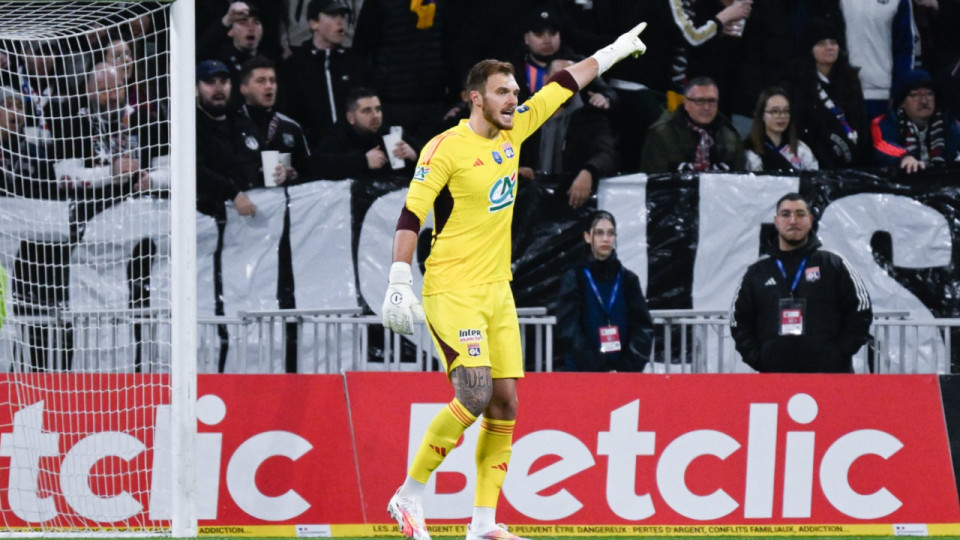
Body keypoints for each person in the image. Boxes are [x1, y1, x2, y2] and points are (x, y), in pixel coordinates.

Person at [380, 22, 648, 540]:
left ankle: (482, 522)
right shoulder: (444, 150)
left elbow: (565, 84)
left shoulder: (515, 131)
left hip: (497, 292)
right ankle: (409, 494)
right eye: (503, 93)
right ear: (475, 99)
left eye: (515, 92)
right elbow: (411, 215)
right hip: (450, 290)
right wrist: (397, 280)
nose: (514, 100)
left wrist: (612, 52)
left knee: (506, 402)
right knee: (476, 392)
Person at [730, 192, 873, 373]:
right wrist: (759, 358)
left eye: (800, 214)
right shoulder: (757, 272)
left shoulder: (833, 265)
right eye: (786, 214)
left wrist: (839, 353)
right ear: (776, 221)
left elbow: (861, 310)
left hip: (830, 377)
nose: (793, 220)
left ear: (810, 219)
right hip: (775, 378)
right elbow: (739, 320)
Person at [556, 210, 654, 372]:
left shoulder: (628, 279)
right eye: (599, 233)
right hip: (583, 373)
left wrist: (626, 367)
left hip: (622, 374)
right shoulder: (574, 277)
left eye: (610, 233)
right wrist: (598, 367)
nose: (606, 239)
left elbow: (642, 327)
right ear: (588, 237)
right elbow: (569, 329)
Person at [518, 57, 618, 208]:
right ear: (545, 80)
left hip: (571, 203)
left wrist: (588, 172)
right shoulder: (525, 114)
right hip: (527, 201)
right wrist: (514, 169)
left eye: (572, 78)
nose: (566, 84)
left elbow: (606, 154)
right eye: (560, 77)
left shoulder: (591, 117)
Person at [787, 19, 873, 169]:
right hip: (817, 164)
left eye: (833, 42)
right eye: (822, 43)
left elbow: (861, 124)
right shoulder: (799, 83)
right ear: (810, 49)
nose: (829, 47)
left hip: (853, 161)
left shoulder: (851, 80)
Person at [281, 0, 366, 147]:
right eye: (333, 16)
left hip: (354, 151)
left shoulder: (355, 64)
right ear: (314, 23)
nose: (340, 22)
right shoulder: (294, 66)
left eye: (343, 16)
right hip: (313, 153)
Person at [640, 76, 745, 173]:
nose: (706, 107)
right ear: (686, 103)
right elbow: (653, 183)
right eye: (699, 101)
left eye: (712, 101)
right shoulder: (661, 134)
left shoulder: (731, 136)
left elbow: (740, 183)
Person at [195, 59, 258, 220]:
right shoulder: (190, 126)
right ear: (196, 89)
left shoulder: (241, 120)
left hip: (251, 210)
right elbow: (196, 170)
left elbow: (257, 155)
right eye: (210, 82)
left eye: (223, 82)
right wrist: (233, 192)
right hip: (210, 216)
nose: (218, 88)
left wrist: (279, 171)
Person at [313, 87, 420, 181]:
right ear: (351, 118)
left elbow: (429, 164)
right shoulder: (338, 135)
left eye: (378, 109)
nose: (376, 116)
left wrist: (415, 155)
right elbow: (316, 165)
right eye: (367, 111)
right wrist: (363, 161)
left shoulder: (390, 133)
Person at [236, 56, 310, 190]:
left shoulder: (291, 127)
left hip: (284, 204)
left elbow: (308, 172)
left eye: (272, 81)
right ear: (244, 88)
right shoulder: (232, 124)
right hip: (243, 205)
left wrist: (294, 175)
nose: (269, 86)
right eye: (261, 81)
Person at [872, 69, 960, 173]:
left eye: (929, 94)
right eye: (915, 95)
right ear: (902, 103)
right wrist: (905, 157)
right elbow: (882, 145)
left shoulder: (951, 123)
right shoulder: (884, 123)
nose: (924, 101)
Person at [744, 87, 819, 172]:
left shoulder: (801, 150)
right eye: (775, 111)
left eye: (786, 111)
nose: (782, 116)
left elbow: (813, 180)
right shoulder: (748, 152)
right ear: (762, 115)